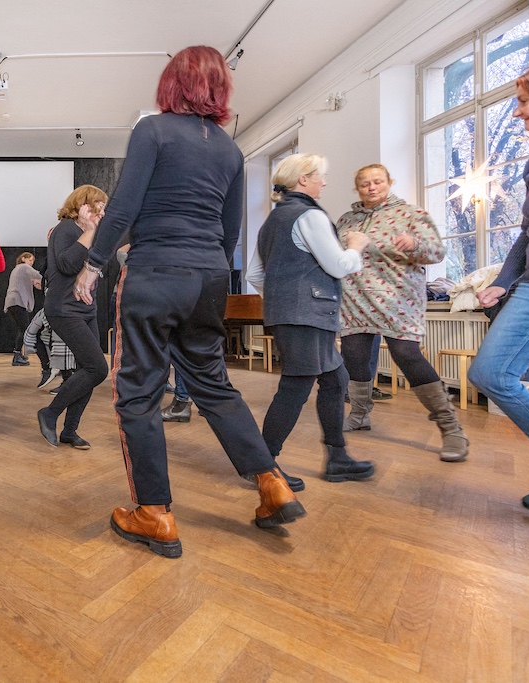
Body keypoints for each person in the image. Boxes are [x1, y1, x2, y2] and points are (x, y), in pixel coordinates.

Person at [75, 46, 306, 558]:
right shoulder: (230, 150)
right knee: (213, 385)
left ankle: (153, 513)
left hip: (155, 272)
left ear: (171, 84)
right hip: (208, 277)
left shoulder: (152, 130)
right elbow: (230, 232)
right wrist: (209, 275)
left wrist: (93, 266)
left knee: (136, 391)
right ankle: (271, 482)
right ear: (220, 88)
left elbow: (124, 208)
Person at [247, 154, 375, 487]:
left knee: (336, 380)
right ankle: (263, 466)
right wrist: (357, 246)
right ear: (303, 179)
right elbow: (337, 266)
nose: (325, 182)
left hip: (294, 315)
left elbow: (255, 274)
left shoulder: (271, 221)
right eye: (321, 175)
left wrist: (284, 299)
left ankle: (337, 458)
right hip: (309, 315)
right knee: (295, 388)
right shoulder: (310, 215)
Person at [337, 163, 468, 462]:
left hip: (398, 298)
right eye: (364, 183)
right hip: (355, 298)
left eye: (377, 182)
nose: (371, 187)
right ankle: (359, 416)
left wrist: (414, 244)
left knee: (407, 355)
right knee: (354, 356)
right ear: (357, 188)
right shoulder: (346, 219)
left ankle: (451, 428)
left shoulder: (411, 213)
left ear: (389, 182)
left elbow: (436, 252)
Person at [471, 66, 529, 508]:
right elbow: (526, 233)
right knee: (489, 373)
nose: (517, 112)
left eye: (524, 101)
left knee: (491, 372)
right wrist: (503, 282)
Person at [37, 185, 110, 450]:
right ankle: (50, 412)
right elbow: (67, 265)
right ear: (82, 206)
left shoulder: (89, 234)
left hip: (85, 310)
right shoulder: (65, 229)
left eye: (103, 208)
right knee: (97, 369)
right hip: (64, 309)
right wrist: (90, 232)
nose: (101, 213)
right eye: (97, 207)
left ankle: (70, 431)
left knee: (87, 371)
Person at [4, 252, 42, 365]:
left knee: (22, 329)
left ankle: (18, 355)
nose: (31, 263)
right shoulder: (23, 267)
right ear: (24, 259)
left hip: (13, 302)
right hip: (17, 301)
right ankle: (17, 356)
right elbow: (38, 275)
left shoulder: (18, 270)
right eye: (30, 260)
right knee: (26, 330)